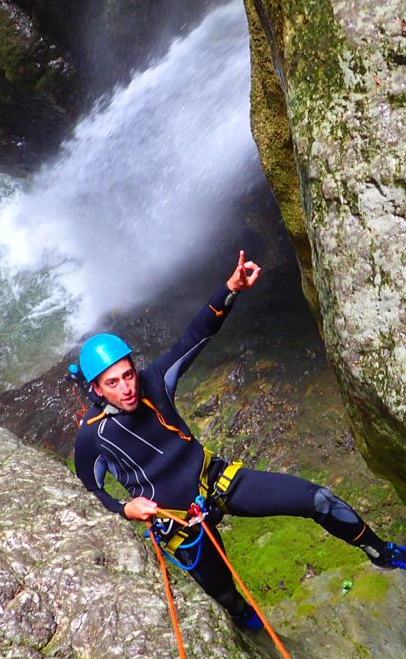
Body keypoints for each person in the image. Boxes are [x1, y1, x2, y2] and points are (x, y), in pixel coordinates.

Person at [74, 251, 406, 629]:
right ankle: (249, 625)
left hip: (217, 481)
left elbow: (196, 335)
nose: (127, 388)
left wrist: (230, 289)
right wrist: (126, 509)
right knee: (226, 597)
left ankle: (381, 553)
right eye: (113, 383)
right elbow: (90, 492)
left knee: (319, 500)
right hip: (181, 524)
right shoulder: (92, 437)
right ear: (97, 389)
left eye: (128, 375)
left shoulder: (155, 381)